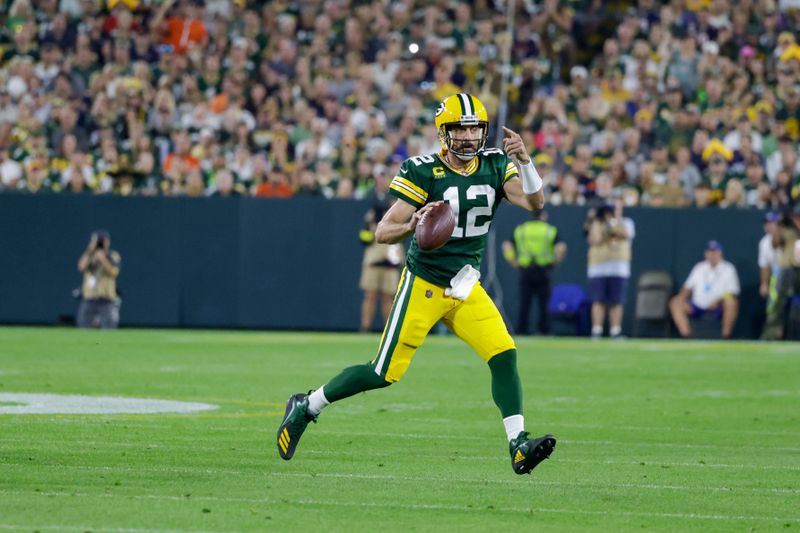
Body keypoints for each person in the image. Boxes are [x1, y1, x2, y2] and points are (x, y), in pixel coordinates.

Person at [277, 93, 556, 476]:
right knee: (382, 374)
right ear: (445, 132)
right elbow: (382, 231)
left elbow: (534, 203)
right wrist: (411, 225)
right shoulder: (421, 170)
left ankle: (518, 444)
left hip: (464, 285)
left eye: (475, 128)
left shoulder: (494, 163)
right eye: (461, 128)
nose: (469, 137)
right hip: (424, 284)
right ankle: (307, 407)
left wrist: (526, 162)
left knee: (504, 355)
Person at [502, 209, 567, 335]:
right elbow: (561, 248)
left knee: (525, 302)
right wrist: (555, 262)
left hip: (525, 269)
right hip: (544, 269)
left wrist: (513, 261)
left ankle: (522, 330)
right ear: (544, 216)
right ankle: (544, 330)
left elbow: (506, 245)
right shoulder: (549, 230)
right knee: (544, 303)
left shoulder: (521, 229)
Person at [358, 169, 404, 332]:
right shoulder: (369, 199)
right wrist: (369, 224)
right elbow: (364, 237)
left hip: (390, 252)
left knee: (388, 296)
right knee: (370, 294)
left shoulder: (395, 199)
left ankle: (388, 330)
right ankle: (365, 327)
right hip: (374, 252)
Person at [669, 241, 740, 339]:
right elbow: (687, 287)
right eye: (709, 251)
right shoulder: (699, 267)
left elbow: (732, 292)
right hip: (697, 306)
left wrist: (718, 301)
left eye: (714, 251)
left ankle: (725, 336)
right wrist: (681, 297)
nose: (712, 254)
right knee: (675, 302)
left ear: (720, 253)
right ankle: (686, 336)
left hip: (718, 306)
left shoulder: (728, 268)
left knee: (731, 302)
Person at [585, 201, 635, 338]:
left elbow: (625, 235)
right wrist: (597, 220)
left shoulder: (627, 222)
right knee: (598, 300)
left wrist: (614, 222)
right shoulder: (597, 223)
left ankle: (615, 330)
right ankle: (596, 330)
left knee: (617, 301)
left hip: (619, 267)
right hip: (598, 267)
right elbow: (595, 240)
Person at [761, 205, 800, 340]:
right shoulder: (786, 230)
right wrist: (779, 224)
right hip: (787, 269)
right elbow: (775, 243)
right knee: (777, 303)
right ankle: (771, 335)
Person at [76, 230, 121, 329]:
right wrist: (89, 250)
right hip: (89, 297)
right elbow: (81, 267)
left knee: (109, 326)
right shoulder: (89, 255)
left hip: (106, 298)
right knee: (84, 326)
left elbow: (114, 272)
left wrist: (103, 259)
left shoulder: (112, 255)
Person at [758, 212, 782, 339]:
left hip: (794, 276)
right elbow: (765, 266)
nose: (769, 226)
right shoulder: (764, 243)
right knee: (772, 306)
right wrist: (764, 284)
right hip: (777, 279)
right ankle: (772, 335)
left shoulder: (789, 237)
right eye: (767, 223)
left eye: (772, 223)